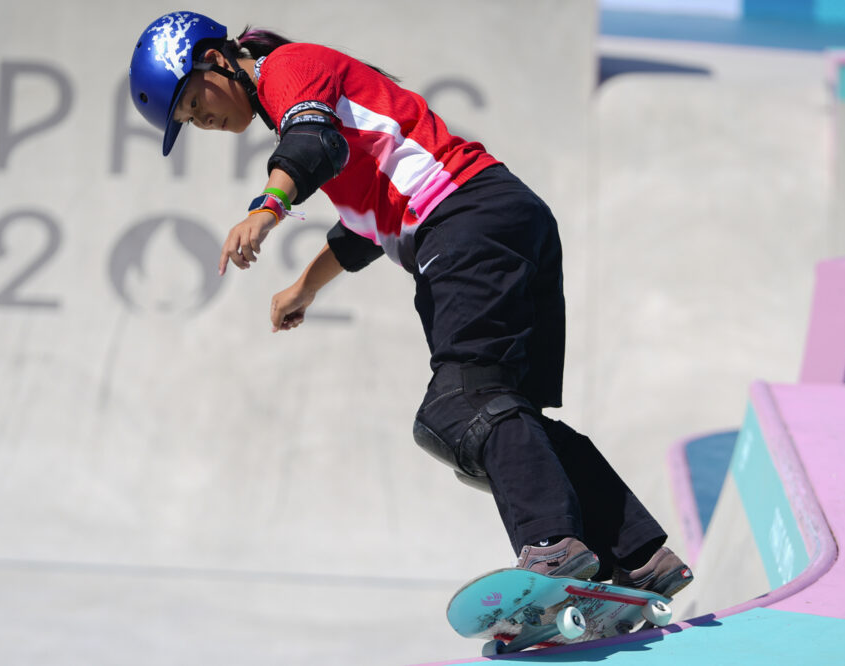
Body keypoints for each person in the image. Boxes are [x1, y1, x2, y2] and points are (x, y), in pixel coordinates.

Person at [128, 11, 693, 597]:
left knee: (461, 406)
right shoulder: (311, 104)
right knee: (507, 414)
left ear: (215, 59)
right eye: (191, 121)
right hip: (499, 219)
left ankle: (554, 546)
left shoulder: (288, 71)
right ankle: (641, 556)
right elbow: (364, 228)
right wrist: (305, 288)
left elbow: (312, 142)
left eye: (195, 103)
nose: (206, 121)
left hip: (465, 219)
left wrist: (267, 207)